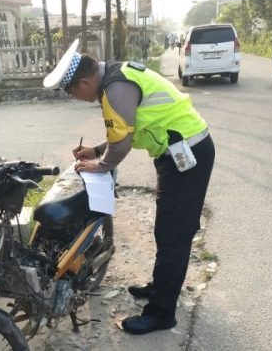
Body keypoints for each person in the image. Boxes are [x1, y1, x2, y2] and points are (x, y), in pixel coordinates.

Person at [43, 39, 215, 335]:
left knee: (174, 233)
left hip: (187, 157)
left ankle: (161, 314)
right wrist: (98, 151)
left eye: (74, 92)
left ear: (85, 81)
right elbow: (127, 128)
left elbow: (121, 144)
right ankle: (161, 288)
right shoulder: (116, 75)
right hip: (177, 154)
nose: (77, 98)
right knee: (167, 228)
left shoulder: (114, 88)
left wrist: (101, 164)